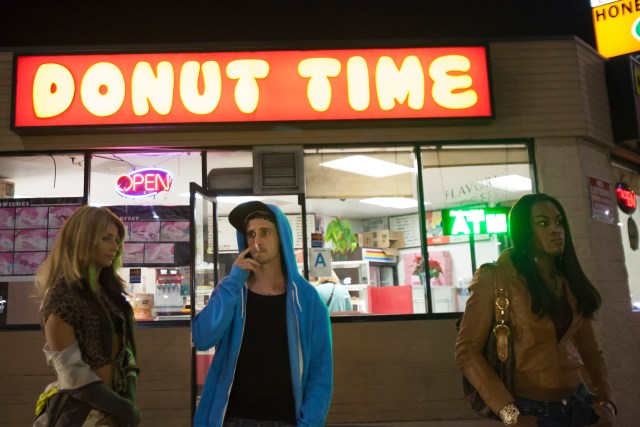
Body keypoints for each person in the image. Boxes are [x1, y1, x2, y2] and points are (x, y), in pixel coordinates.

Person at [455, 193, 616, 427]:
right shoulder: (495, 278)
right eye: (543, 223)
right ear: (523, 230)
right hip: (533, 411)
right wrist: (510, 414)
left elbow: (590, 350)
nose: (555, 229)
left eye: (559, 222)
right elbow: (467, 351)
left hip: (581, 405)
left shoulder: (568, 282)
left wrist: (607, 403)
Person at [192, 201, 333, 427]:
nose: (257, 242)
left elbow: (320, 371)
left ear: (282, 238)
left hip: (286, 419)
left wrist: (310, 422)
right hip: (230, 418)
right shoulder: (231, 290)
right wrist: (234, 281)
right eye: (251, 234)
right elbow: (202, 338)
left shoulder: (307, 299)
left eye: (265, 232)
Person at [34, 206, 140, 427]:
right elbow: (72, 373)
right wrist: (124, 408)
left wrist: (126, 402)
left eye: (117, 239)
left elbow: (126, 355)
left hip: (114, 410)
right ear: (83, 239)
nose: (115, 246)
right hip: (81, 414)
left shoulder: (110, 294)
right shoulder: (61, 297)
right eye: (106, 238)